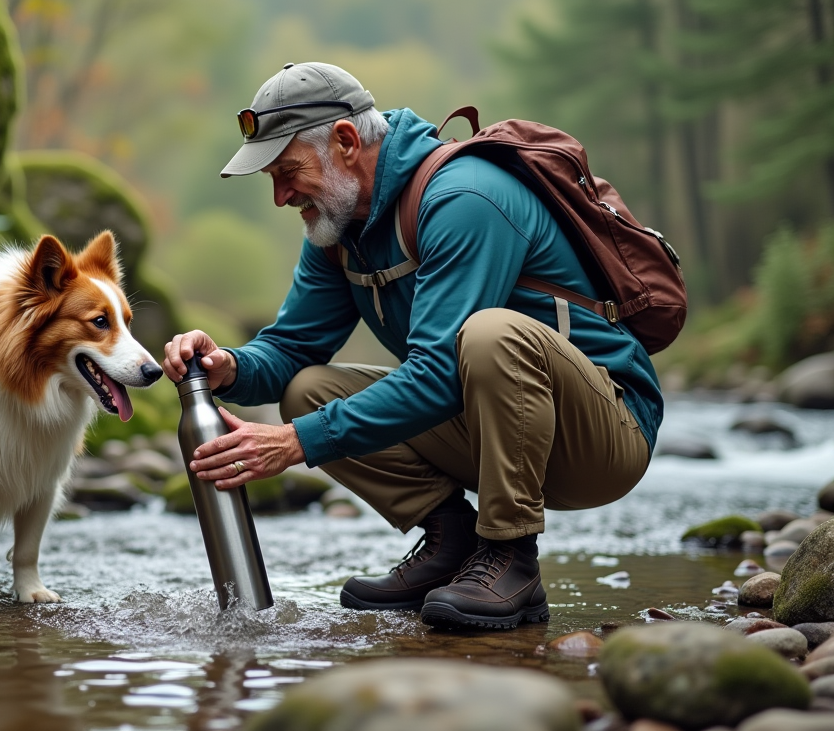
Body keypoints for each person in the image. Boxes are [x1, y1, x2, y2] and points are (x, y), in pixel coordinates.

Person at [161, 62, 662, 631]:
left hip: (604, 430)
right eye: (271, 178)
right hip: (495, 426)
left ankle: (512, 558)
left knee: (491, 334)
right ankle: (453, 541)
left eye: (288, 170)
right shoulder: (338, 231)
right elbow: (293, 349)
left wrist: (294, 445)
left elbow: (438, 374)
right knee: (309, 392)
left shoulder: (466, 197)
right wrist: (228, 367)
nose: (280, 196)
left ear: (346, 142)